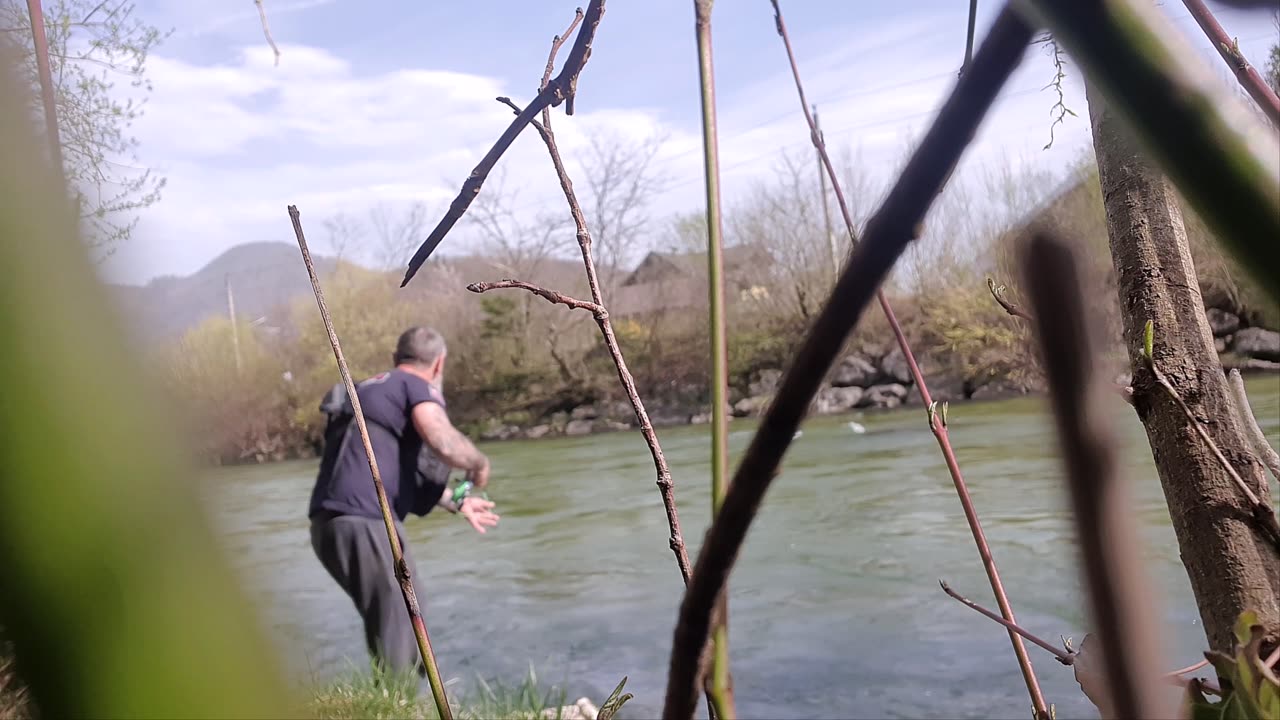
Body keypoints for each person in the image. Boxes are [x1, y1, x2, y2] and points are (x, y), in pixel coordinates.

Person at [307, 325, 498, 680]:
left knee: (400, 617)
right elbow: (441, 438)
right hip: (366, 522)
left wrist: (456, 502)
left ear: (396, 358)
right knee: (402, 622)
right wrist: (478, 463)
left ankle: (403, 702)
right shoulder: (414, 386)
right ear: (439, 364)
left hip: (328, 527)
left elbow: (388, 469)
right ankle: (397, 706)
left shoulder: (362, 390)